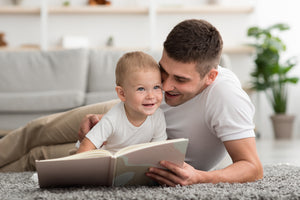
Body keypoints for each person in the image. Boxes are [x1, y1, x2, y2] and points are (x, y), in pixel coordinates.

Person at [0, 19, 263, 186]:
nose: (166, 86)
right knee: (38, 130)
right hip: (124, 114)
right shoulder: (160, 84)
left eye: (180, 79)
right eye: (164, 70)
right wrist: (108, 125)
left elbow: (252, 167)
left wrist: (202, 177)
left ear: (211, 77)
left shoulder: (226, 96)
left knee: (39, 156)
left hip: (134, 153)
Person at [77, 51, 167, 154]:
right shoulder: (112, 118)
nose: (151, 96)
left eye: (156, 87)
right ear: (122, 94)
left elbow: (158, 149)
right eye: (141, 89)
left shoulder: (158, 116)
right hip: (102, 159)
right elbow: (86, 146)